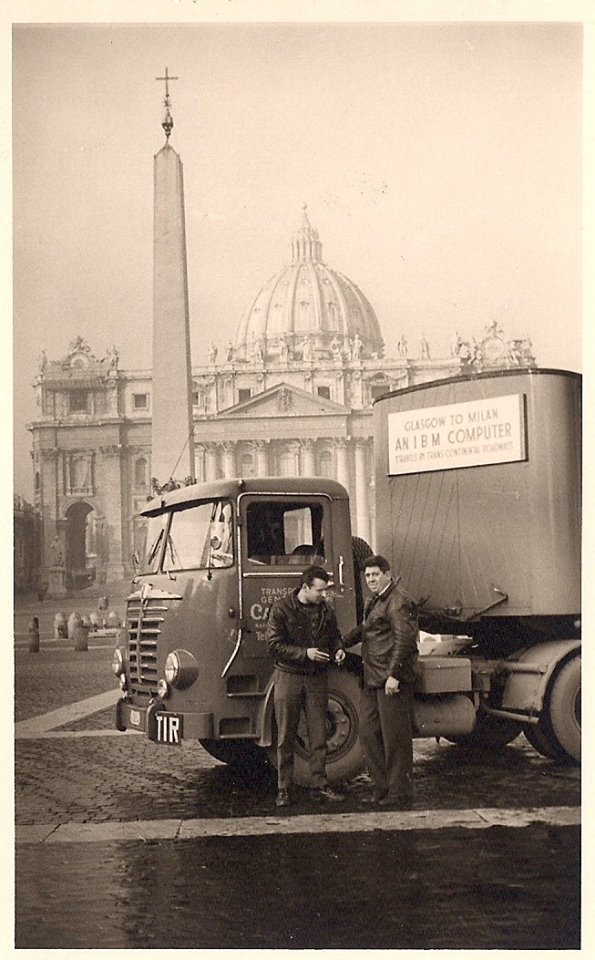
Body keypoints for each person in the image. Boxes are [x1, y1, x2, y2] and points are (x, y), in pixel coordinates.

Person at [266, 565, 347, 807]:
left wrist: (339, 648)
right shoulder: (281, 609)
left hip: (315, 679)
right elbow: (273, 645)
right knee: (285, 736)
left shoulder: (326, 610)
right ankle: (284, 789)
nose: (323, 595)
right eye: (319, 591)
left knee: (318, 734)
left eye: (324, 591)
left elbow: (335, 635)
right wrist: (305, 653)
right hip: (288, 677)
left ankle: (320, 785)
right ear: (305, 588)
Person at [347, 554, 418, 809]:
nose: (371, 579)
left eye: (375, 574)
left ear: (387, 574)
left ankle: (399, 793)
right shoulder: (377, 600)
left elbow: (405, 641)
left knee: (395, 740)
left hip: (389, 680)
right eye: (367, 576)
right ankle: (382, 788)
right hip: (373, 678)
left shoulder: (398, 601)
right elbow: (365, 630)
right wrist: (342, 644)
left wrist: (394, 676)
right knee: (367, 733)